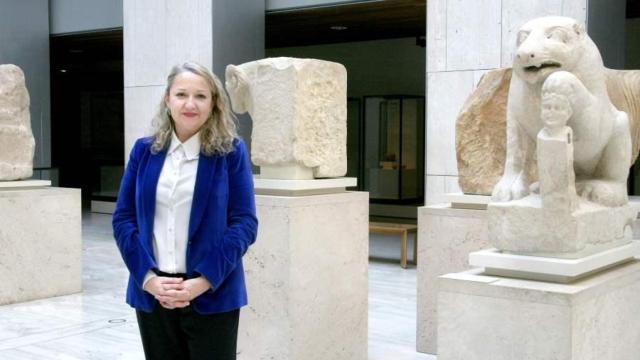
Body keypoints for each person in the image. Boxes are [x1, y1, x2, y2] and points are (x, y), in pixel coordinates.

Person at [112, 61, 258, 360]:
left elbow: (244, 223)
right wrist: (148, 278)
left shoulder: (231, 152)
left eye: (201, 96)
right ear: (168, 100)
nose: (190, 104)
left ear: (214, 102)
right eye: (181, 95)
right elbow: (124, 220)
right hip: (154, 295)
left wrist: (202, 282)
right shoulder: (144, 150)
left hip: (212, 293)